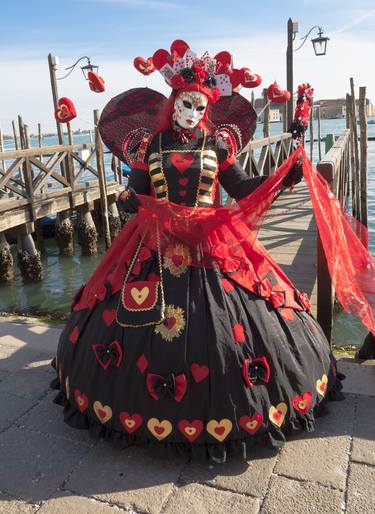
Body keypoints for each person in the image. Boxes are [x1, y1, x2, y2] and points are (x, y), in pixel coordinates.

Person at [51, 40, 343, 463]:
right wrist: (127, 200)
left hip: (209, 241)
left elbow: (242, 189)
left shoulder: (216, 146)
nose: (192, 114)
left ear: (208, 109)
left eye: (200, 108)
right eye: (186, 105)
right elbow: (136, 191)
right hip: (155, 241)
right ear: (173, 103)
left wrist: (285, 176)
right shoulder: (151, 146)